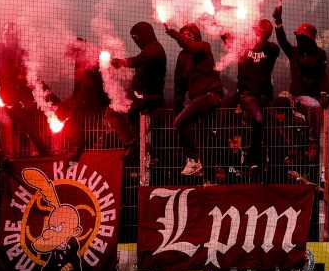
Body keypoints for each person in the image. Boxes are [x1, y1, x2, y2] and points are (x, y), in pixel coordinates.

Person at [165, 22, 224, 176]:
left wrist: (174, 33)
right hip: (197, 101)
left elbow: (193, 47)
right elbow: (179, 84)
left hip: (211, 95)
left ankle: (193, 159)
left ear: (196, 35)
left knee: (180, 122)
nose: (186, 36)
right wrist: (177, 108)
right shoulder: (182, 57)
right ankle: (209, 177)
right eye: (183, 33)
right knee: (205, 137)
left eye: (190, 33)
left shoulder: (204, 46)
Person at [223, 18, 280, 176]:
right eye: (259, 30)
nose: (260, 34)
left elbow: (271, 46)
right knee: (258, 119)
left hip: (264, 97)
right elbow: (225, 37)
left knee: (270, 130)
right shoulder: (243, 46)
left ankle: (266, 166)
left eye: (264, 32)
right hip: (247, 95)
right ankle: (252, 159)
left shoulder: (272, 49)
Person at [105, 21, 166, 163]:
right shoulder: (150, 49)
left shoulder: (154, 50)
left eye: (136, 37)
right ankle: (135, 145)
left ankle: (134, 146)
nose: (136, 41)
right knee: (113, 111)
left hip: (149, 98)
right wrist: (123, 63)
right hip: (144, 96)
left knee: (117, 111)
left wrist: (124, 62)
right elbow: (139, 60)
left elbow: (139, 60)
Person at [272, 5, 326, 163]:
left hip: (315, 96)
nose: (299, 40)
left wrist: (324, 93)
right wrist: (278, 21)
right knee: (314, 106)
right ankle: (313, 143)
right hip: (299, 97)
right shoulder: (294, 52)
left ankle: (319, 168)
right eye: (298, 37)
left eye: (302, 38)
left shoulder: (320, 54)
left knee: (317, 107)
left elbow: (323, 76)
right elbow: (282, 41)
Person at [0, 22, 49, 157]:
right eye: (5, 30)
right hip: (3, 99)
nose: (6, 33)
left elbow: (30, 77)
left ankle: (40, 153)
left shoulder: (23, 54)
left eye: (10, 31)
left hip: (20, 98)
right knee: (20, 121)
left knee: (44, 115)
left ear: (16, 36)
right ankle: (13, 159)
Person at [63, 38, 109, 162]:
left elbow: (96, 83)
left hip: (93, 102)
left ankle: (85, 149)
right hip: (88, 101)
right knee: (88, 128)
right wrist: (74, 98)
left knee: (93, 129)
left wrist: (78, 99)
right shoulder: (81, 61)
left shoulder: (91, 59)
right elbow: (78, 83)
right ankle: (83, 148)